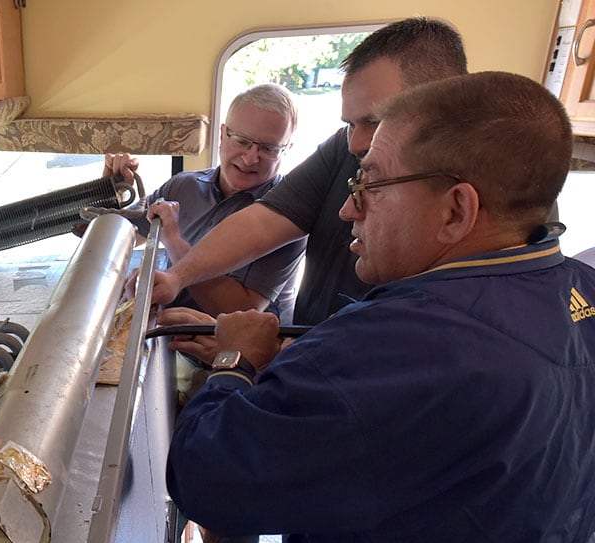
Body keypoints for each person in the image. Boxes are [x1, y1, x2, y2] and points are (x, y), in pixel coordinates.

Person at [166, 70, 595, 543]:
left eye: (368, 184)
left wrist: (235, 362)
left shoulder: (393, 343)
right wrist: (280, 360)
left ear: (456, 210)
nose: (348, 210)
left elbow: (205, 478)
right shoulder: (584, 291)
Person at [148, 17, 468, 326]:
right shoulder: (342, 148)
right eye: (349, 124)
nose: (355, 143)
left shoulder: (463, 185)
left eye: (374, 121)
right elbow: (263, 222)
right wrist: (178, 276)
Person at [106, 83, 305, 324]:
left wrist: (175, 242)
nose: (251, 158)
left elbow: (242, 311)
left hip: (235, 353)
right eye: (242, 141)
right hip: (169, 332)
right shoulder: (183, 186)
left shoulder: (288, 215)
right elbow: (125, 235)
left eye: (269, 148)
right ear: (222, 134)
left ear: (287, 150)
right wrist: (111, 194)